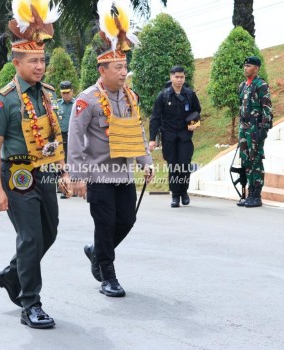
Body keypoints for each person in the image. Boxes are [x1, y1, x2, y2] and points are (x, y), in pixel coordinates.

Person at [0, 0, 68, 329]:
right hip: (17, 174)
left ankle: (10, 273)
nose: (40, 66)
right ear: (17, 62)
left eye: (42, 60)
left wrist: (61, 170)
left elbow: (53, 137)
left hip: (44, 170)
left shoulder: (45, 95)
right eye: (33, 61)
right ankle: (30, 304)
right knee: (31, 237)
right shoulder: (3, 99)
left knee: (50, 232)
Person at [67, 0, 154, 298]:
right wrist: (77, 175)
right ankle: (108, 275)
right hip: (98, 175)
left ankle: (96, 251)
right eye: (118, 67)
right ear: (102, 70)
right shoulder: (88, 98)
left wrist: (146, 160)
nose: (123, 72)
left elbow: (137, 131)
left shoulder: (130, 97)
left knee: (126, 221)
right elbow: (75, 137)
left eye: (125, 67)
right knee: (105, 224)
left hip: (124, 173)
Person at [149, 66, 201, 208]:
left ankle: (183, 192)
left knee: (184, 165)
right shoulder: (164, 96)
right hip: (169, 137)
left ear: (184, 78)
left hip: (185, 137)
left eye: (181, 77)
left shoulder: (189, 94)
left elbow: (197, 111)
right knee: (173, 166)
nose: (179, 80)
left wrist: (194, 123)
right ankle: (175, 196)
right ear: (171, 77)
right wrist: (152, 139)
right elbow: (155, 117)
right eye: (176, 77)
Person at [236, 56, 273, 208]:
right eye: (245, 65)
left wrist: (264, 129)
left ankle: (256, 195)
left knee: (255, 160)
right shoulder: (243, 86)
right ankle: (249, 193)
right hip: (244, 128)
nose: (245, 68)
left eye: (249, 66)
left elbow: (267, 108)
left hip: (255, 128)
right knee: (246, 160)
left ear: (256, 68)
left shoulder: (261, 85)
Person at [57, 81, 75, 199]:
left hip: (74, 135)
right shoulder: (57, 105)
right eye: (63, 93)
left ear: (72, 91)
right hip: (61, 136)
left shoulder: (77, 103)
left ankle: (72, 185)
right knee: (60, 160)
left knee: (72, 159)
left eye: (68, 93)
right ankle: (62, 185)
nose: (66, 95)